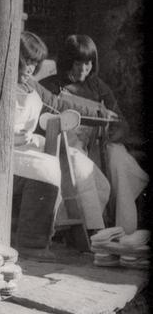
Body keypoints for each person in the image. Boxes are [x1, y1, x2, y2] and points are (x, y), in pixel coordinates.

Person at [12, 32, 111, 259]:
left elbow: (58, 103)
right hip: (5, 148)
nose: (30, 68)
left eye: (35, 63)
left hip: (25, 146)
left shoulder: (31, 86)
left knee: (79, 169)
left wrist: (97, 111)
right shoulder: (1, 83)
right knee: (47, 166)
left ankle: (90, 230)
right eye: (27, 61)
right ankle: (32, 243)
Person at [40, 34, 148, 233]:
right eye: (77, 63)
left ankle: (124, 229)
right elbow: (44, 124)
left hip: (99, 144)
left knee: (118, 160)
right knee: (82, 170)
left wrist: (113, 133)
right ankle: (92, 230)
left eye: (88, 63)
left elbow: (122, 123)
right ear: (66, 62)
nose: (83, 69)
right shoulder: (51, 86)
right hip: (69, 144)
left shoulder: (98, 86)